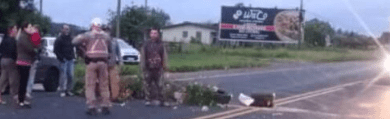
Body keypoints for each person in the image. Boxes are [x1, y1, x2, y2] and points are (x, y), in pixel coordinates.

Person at [72, 18, 112, 115]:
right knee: (104, 85)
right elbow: (109, 45)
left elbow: (74, 41)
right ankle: (105, 106)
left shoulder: (88, 35)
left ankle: (92, 106)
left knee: (90, 85)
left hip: (92, 62)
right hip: (103, 63)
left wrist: (84, 45)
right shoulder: (106, 36)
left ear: (92, 25)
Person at [141, 27, 169, 107]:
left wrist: (165, 68)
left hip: (158, 68)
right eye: (152, 33)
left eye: (155, 33)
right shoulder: (146, 44)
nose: (153, 35)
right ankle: (148, 100)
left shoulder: (161, 45)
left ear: (158, 34)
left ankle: (162, 100)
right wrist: (143, 67)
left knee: (161, 85)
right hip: (148, 68)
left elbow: (164, 57)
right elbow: (143, 56)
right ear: (150, 34)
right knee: (147, 85)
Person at [16, 22, 40, 108]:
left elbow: (35, 45)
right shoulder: (23, 37)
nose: (31, 29)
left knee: (24, 81)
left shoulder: (25, 36)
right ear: (24, 28)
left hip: (25, 61)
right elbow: (30, 48)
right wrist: (34, 49)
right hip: (23, 61)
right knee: (23, 81)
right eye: (29, 27)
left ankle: (21, 98)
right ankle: (21, 99)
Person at [0, 24, 19, 105]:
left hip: (3, 60)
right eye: (15, 30)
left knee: (3, 79)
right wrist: (16, 60)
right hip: (10, 60)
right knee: (13, 79)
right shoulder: (12, 40)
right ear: (11, 31)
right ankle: (14, 97)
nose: (16, 31)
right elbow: (14, 52)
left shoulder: (4, 39)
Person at [54, 25, 75, 97]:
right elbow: (56, 50)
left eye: (68, 29)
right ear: (62, 29)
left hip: (70, 59)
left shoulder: (71, 39)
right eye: (65, 29)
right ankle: (63, 90)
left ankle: (69, 90)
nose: (66, 30)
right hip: (63, 59)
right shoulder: (59, 39)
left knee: (71, 75)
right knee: (63, 75)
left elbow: (74, 47)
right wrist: (61, 58)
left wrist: (73, 56)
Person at [102, 25, 122, 102]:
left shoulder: (114, 41)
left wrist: (120, 61)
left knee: (114, 81)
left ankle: (114, 97)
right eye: (105, 30)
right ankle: (104, 97)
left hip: (112, 63)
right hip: (103, 64)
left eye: (108, 30)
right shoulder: (101, 41)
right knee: (104, 82)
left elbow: (118, 52)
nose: (107, 32)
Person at [26, 24, 41, 99]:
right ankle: (28, 91)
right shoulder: (37, 36)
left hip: (31, 59)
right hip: (33, 59)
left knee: (29, 76)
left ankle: (27, 91)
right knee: (31, 76)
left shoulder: (33, 36)